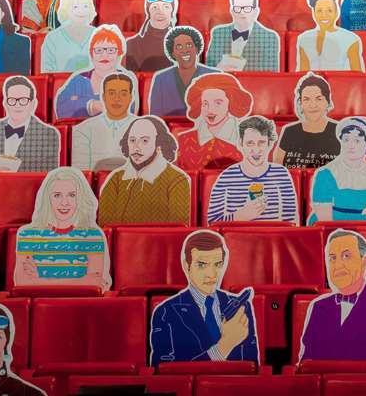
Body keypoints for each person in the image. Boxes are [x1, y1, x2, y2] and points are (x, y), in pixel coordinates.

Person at [149, 230, 258, 365]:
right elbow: (165, 373)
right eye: (201, 265)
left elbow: (252, 367)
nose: (211, 274)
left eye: (218, 264)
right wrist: (225, 345)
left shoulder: (241, 308)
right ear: (186, 265)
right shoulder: (165, 312)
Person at [298, 231, 366, 365]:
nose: (338, 265)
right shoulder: (318, 307)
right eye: (332, 258)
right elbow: (307, 363)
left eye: (346, 256)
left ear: (364, 261)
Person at [95, 115, 192, 224]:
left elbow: (178, 228)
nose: (136, 147)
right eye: (132, 140)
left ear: (159, 145)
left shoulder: (177, 180)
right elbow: (104, 225)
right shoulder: (115, 178)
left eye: (144, 141)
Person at [277, 74, 341, 172]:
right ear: (301, 103)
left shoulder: (340, 131)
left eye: (318, 99)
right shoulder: (289, 132)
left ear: (327, 102)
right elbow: (279, 171)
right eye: (306, 99)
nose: (312, 105)